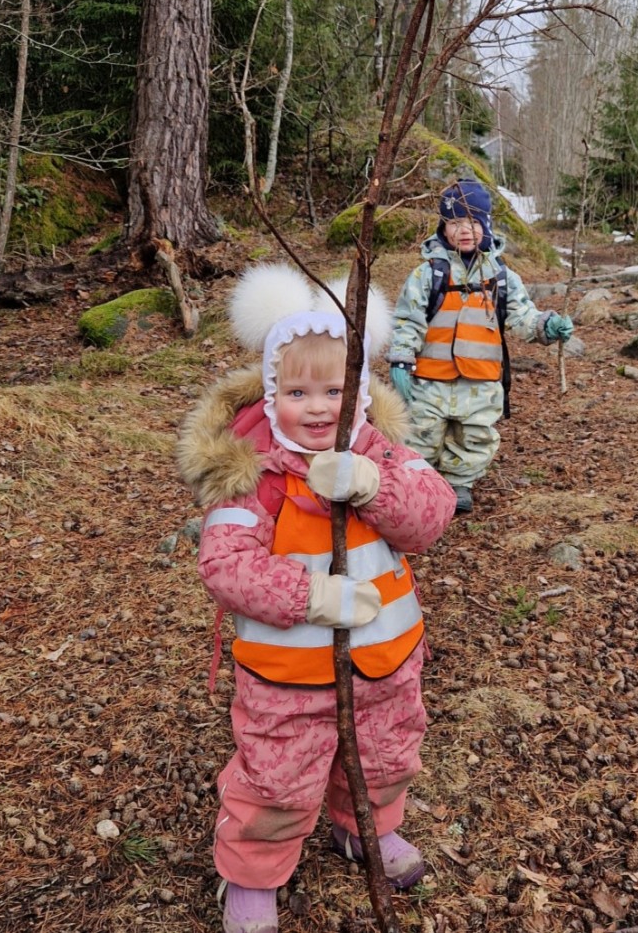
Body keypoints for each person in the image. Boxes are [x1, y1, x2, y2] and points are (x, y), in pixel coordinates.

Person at [176, 265, 456, 933]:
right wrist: (310, 597)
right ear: (272, 394)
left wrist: (371, 486)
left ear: (359, 392)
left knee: (386, 754)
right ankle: (250, 878)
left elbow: (432, 517)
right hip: (287, 675)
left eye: (335, 389)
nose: (320, 405)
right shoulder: (254, 473)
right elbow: (225, 565)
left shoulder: (379, 452)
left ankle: (367, 826)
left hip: (387, 662)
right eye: (298, 391)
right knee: (275, 777)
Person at [387, 179, 573, 514]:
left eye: (473, 222)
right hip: (431, 378)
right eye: (455, 222)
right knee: (421, 432)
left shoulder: (501, 276)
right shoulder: (427, 274)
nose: (465, 230)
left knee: (475, 436)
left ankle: (459, 483)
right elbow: (407, 318)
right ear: (443, 227)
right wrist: (401, 359)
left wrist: (546, 325)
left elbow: (522, 315)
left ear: (486, 225)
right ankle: (420, 480)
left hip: (483, 381)